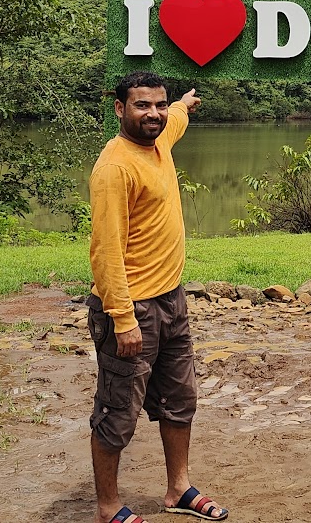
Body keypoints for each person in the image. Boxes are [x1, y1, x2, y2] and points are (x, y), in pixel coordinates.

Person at [87, 71, 229, 522]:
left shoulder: (161, 137)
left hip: (171, 300)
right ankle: (108, 507)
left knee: (180, 398)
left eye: (159, 105)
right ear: (119, 109)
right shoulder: (115, 167)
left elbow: (178, 117)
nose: (153, 114)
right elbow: (105, 250)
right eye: (141, 105)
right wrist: (122, 317)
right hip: (131, 308)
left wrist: (185, 102)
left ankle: (178, 488)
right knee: (117, 412)